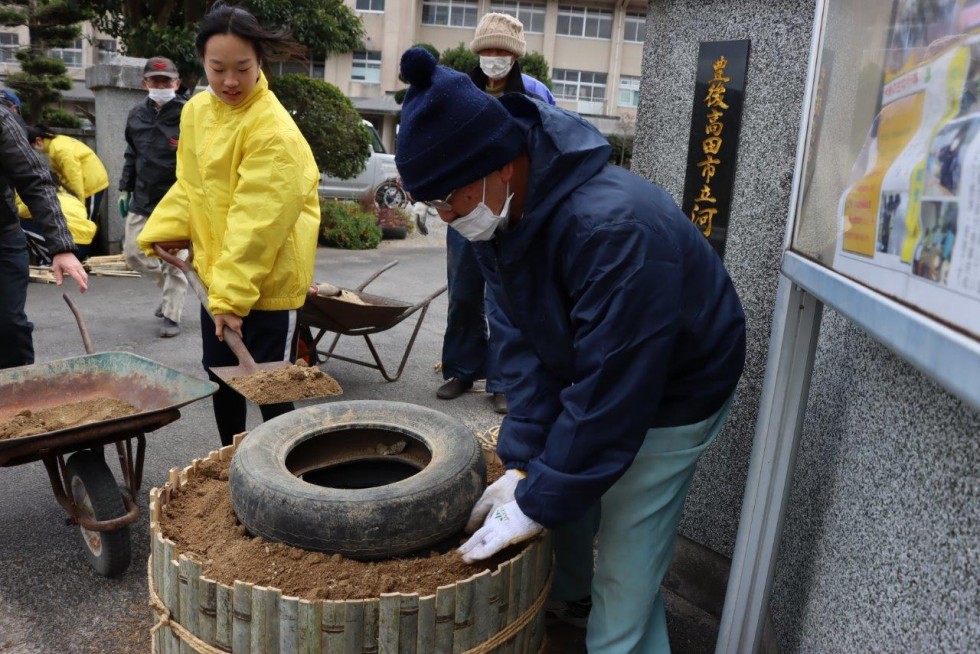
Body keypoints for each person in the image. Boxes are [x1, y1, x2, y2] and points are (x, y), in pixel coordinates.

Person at [395, 48, 746, 653]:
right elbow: (519, 339)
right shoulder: (499, 215)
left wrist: (537, 497)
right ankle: (569, 601)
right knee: (558, 486)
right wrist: (527, 461)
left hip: (676, 386)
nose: (448, 216)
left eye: (449, 198)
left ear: (501, 165)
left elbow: (615, 390)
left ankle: (621, 639)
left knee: (627, 561)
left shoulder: (613, 229)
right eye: (433, 206)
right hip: (596, 362)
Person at [138, 2, 320, 447]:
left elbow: (258, 222)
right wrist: (164, 228)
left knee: (269, 389)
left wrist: (232, 300)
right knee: (221, 377)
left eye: (243, 67)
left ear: (260, 61)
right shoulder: (198, 111)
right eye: (218, 69)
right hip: (219, 276)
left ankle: (288, 474)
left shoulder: (273, 130)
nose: (231, 81)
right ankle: (231, 460)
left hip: (268, 282)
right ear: (201, 62)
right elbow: (192, 185)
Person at [436, 12, 556, 414]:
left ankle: (504, 380)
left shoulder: (535, 92)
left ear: (515, 56)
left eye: (502, 50)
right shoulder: (458, 90)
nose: (493, 57)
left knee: (505, 296)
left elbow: (549, 143)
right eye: (487, 48)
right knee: (464, 290)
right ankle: (461, 368)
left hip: (513, 209)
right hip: (466, 205)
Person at [0, 104, 88, 369]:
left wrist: (61, 247)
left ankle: (20, 397)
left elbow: (34, 181)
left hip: (2, 238)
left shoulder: (2, 120)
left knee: (7, 325)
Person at [120, 56, 190, 338]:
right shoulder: (136, 115)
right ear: (144, 83)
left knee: (175, 261)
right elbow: (131, 154)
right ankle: (169, 294)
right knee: (133, 255)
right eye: (155, 80)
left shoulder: (188, 114)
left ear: (177, 83)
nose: (160, 85)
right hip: (143, 197)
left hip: (176, 201)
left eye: (166, 80)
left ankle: (172, 314)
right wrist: (125, 188)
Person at [27, 126, 109, 224]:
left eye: (32, 147)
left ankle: (90, 239)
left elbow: (74, 177)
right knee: (87, 217)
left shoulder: (60, 149)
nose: (35, 150)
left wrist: (79, 203)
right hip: (87, 179)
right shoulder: (55, 143)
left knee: (87, 221)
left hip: (91, 183)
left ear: (38, 140)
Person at [17, 175, 97, 260]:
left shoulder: (41, 200)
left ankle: (46, 260)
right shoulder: (71, 197)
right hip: (85, 246)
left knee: (17, 224)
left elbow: (16, 211)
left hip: (64, 248)